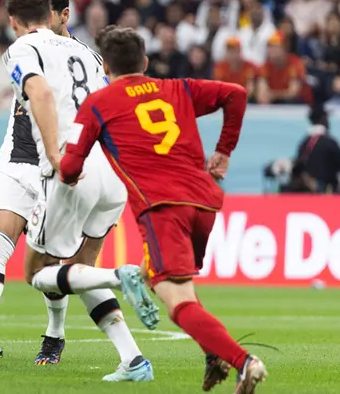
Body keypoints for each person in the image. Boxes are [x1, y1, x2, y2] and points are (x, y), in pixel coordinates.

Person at [59, 25, 267, 392]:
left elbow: (70, 166)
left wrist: (67, 172)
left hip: (162, 208)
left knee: (175, 298)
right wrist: (223, 151)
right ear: (146, 61)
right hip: (203, 202)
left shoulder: (99, 103)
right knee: (175, 284)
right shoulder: (178, 88)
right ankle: (212, 354)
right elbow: (236, 94)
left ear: (105, 66)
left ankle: (244, 361)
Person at [0, 0, 156, 381]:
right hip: (110, 170)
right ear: (51, 13)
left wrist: (57, 153)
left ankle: (116, 278)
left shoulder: (23, 48)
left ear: (13, 21)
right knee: (74, 268)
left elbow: (38, 92)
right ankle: (133, 359)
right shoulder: (88, 54)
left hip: (69, 168)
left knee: (39, 272)